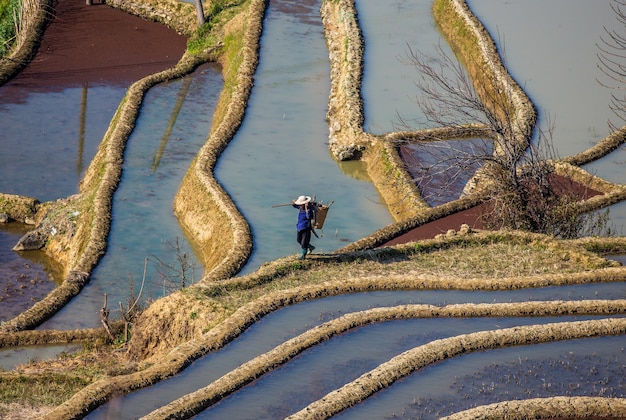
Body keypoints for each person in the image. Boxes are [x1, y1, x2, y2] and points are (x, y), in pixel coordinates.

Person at [292, 195, 316, 260]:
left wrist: (306, 209)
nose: (300, 205)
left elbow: (309, 217)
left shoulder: (309, 209)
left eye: (301, 204)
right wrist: (293, 202)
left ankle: (303, 255)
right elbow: (295, 205)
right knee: (298, 240)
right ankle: (310, 247)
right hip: (299, 227)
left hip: (306, 228)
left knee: (304, 243)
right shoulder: (300, 207)